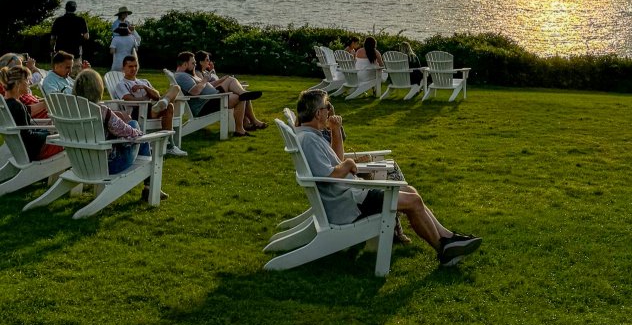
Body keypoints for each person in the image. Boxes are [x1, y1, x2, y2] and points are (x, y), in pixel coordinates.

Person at [294, 89, 482, 266]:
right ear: (318, 113)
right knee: (413, 201)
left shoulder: (311, 135)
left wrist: (336, 131)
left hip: (350, 194)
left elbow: (335, 160)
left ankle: (448, 238)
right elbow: (328, 174)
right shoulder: (310, 139)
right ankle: (444, 250)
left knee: (410, 191)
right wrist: (348, 165)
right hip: (349, 203)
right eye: (327, 107)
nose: (330, 111)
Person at [73, 69, 165, 200]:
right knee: (134, 125)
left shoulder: (70, 110)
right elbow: (131, 134)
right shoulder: (102, 111)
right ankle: (150, 187)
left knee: (129, 131)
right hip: (108, 165)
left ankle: (149, 187)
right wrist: (144, 135)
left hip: (80, 163)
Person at [112, 55, 188, 157]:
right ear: (123, 68)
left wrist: (145, 87)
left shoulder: (144, 81)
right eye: (130, 66)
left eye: (135, 66)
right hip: (139, 111)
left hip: (152, 107)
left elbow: (156, 96)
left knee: (176, 88)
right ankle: (170, 146)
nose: (134, 69)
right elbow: (129, 99)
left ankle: (163, 103)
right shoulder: (121, 84)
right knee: (168, 105)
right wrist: (146, 100)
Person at [173, 51, 253, 138]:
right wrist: (204, 80)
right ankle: (240, 129)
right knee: (240, 98)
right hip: (205, 104)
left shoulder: (185, 75)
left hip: (212, 98)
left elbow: (203, 87)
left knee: (231, 81)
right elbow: (195, 91)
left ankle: (243, 96)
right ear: (185, 64)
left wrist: (213, 81)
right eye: (193, 63)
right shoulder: (182, 76)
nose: (195, 65)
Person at [1, 65, 63, 161]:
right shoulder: (17, 106)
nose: (29, 83)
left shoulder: (7, 103)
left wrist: (48, 132)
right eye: (27, 80)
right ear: (18, 83)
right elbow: (28, 136)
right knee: (68, 143)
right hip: (36, 151)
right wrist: (48, 133)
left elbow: (24, 131)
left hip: (22, 151)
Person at [194, 50, 266, 130]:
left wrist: (213, 71)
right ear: (201, 62)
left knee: (244, 96)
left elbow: (211, 82)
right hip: (212, 99)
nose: (209, 62)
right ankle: (252, 121)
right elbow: (206, 87)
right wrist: (222, 80)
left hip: (217, 95)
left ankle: (247, 123)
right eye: (207, 60)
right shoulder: (198, 73)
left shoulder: (205, 72)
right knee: (231, 81)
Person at [49, 0, 91, 77]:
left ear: (65, 8)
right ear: (75, 9)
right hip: (75, 51)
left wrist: (52, 49)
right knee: (74, 75)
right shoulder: (81, 20)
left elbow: (53, 37)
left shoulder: (58, 20)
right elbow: (86, 36)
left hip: (60, 52)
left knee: (59, 74)